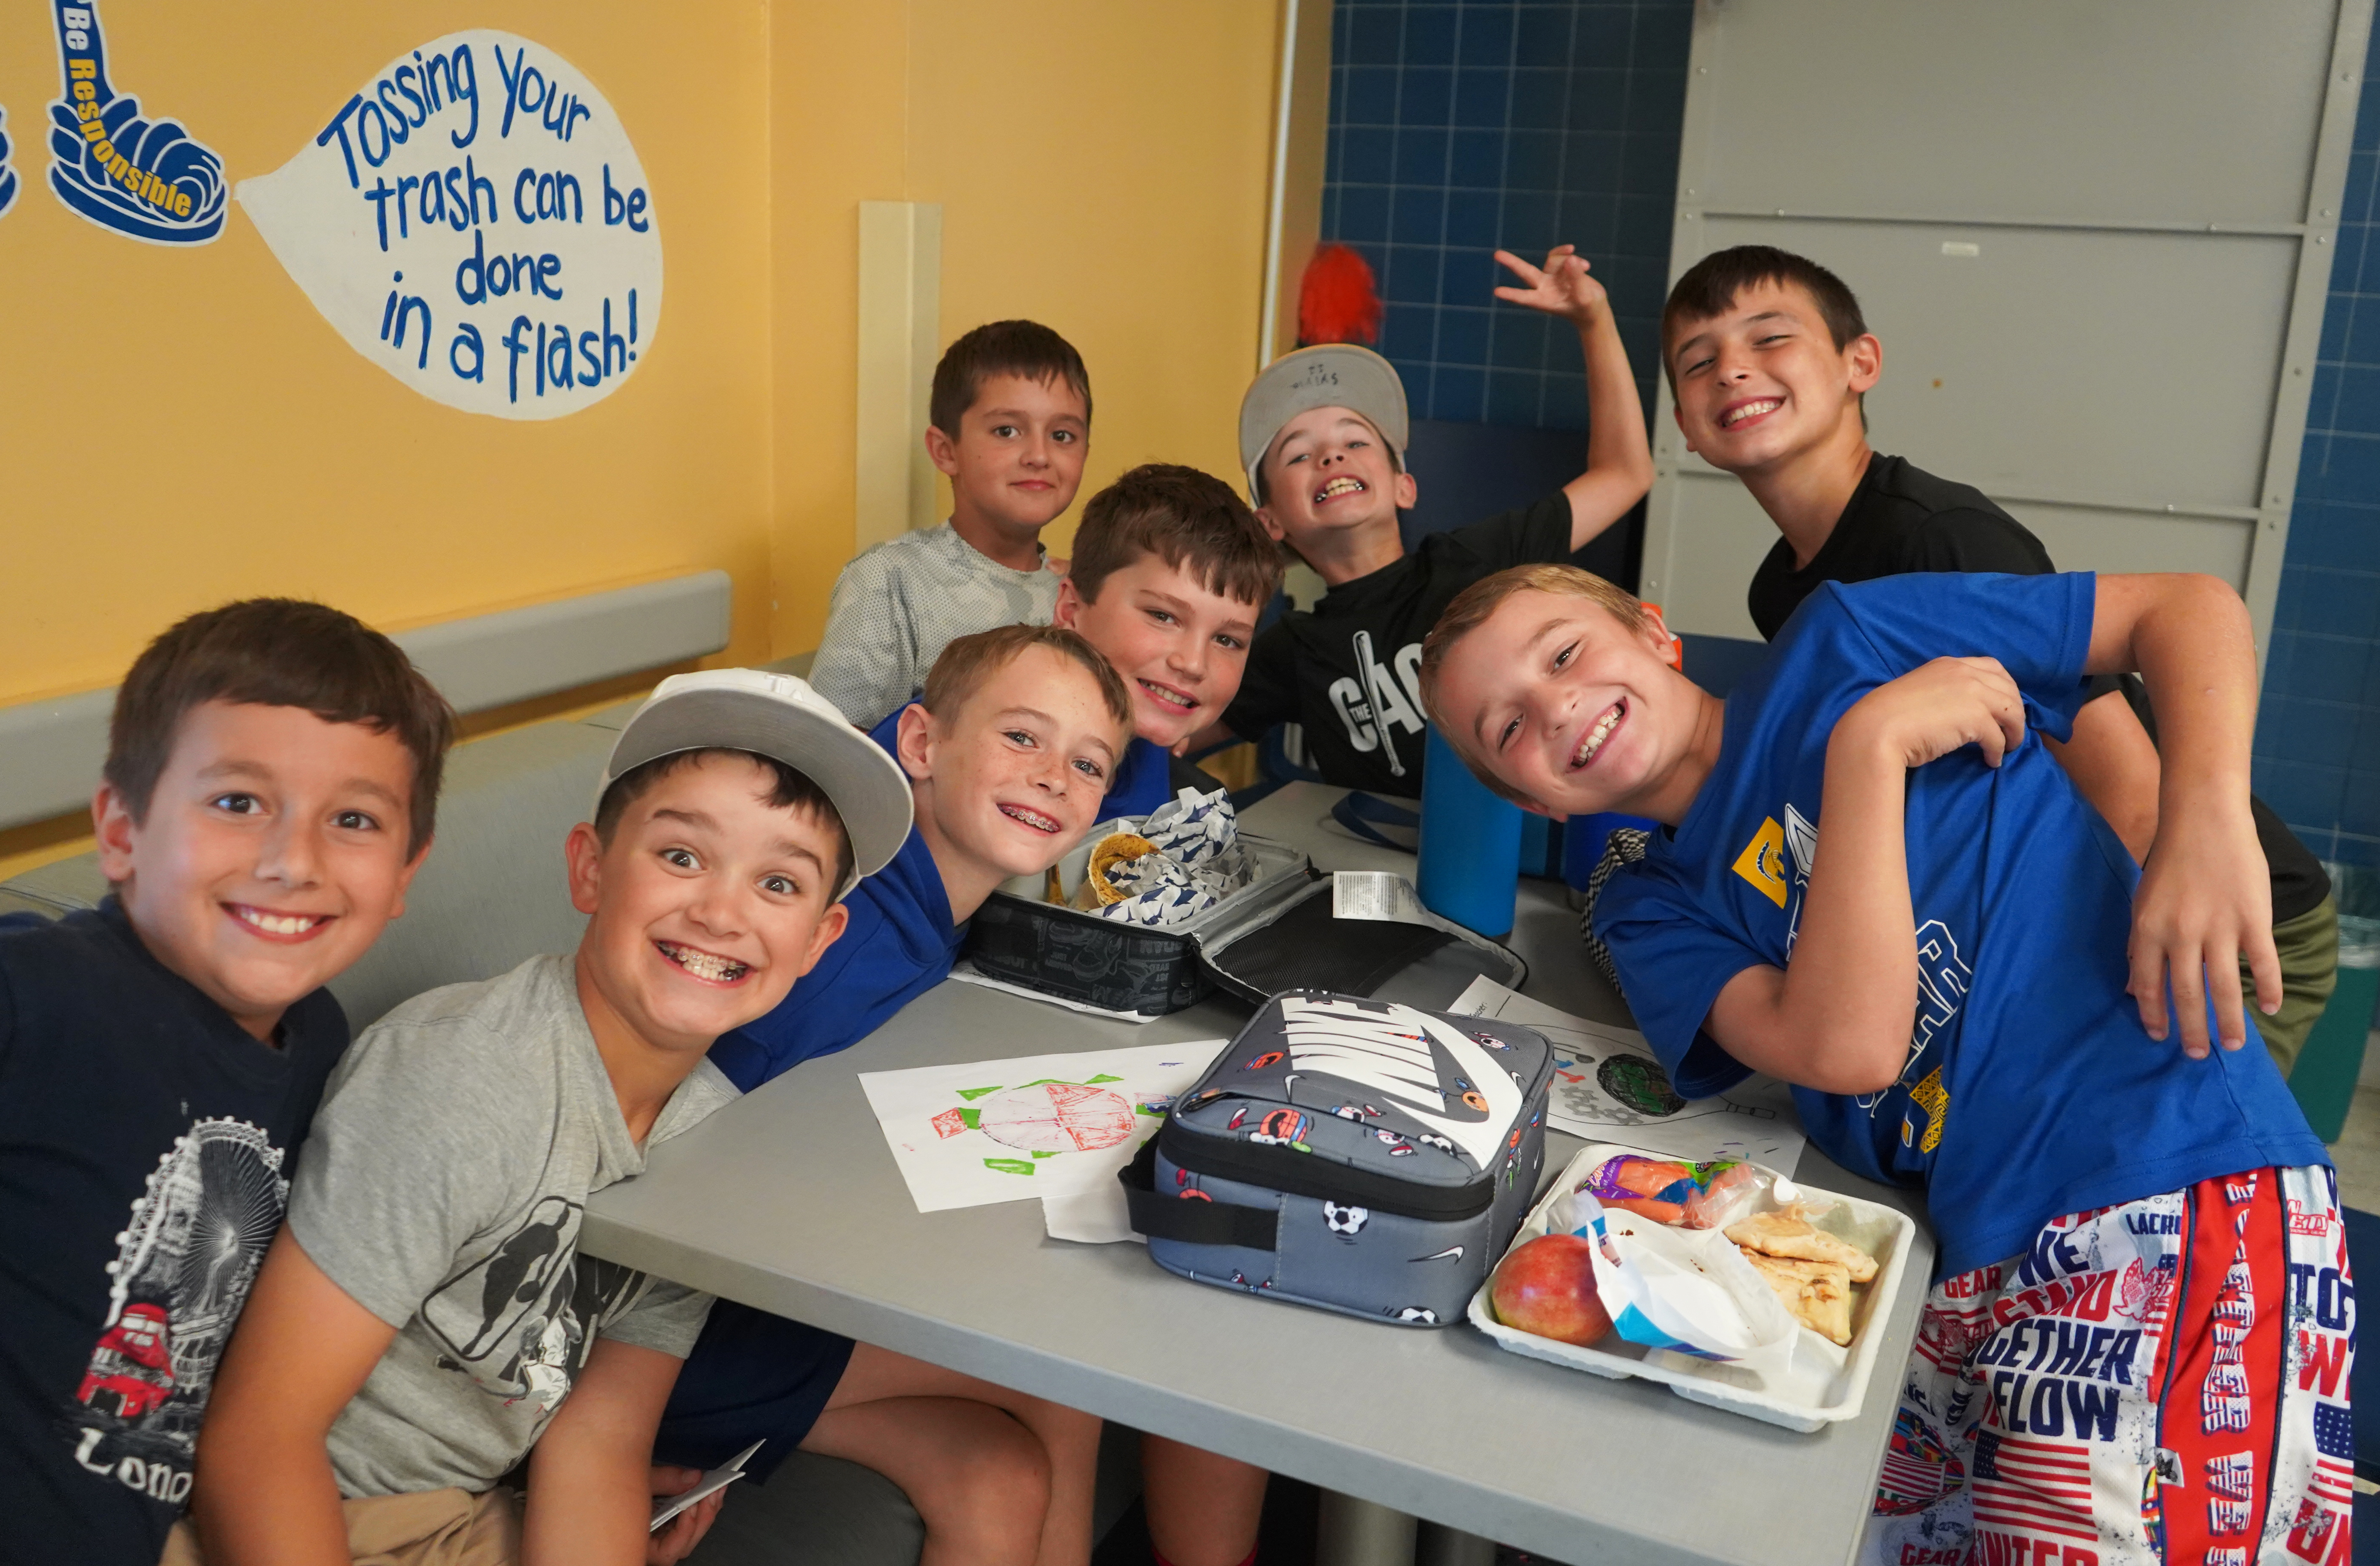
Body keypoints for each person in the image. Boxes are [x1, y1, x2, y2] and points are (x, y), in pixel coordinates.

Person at [1419, 562, 2350, 1566]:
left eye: (1564, 652)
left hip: (2168, 1178)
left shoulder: (1848, 640)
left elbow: (2185, 608)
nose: (1554, 706)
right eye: (1506, 728)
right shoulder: (1648, 906)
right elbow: (1849, 1046)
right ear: (1533, 801)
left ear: (1655, 631)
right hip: (1959, 1259)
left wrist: (2206, 812)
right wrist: (1868, 751)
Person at [189, 669, 1098, 1566]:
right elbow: (259, 1442)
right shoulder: (467, 1075)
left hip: (473, 1507)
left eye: (780, 884)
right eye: (682, 855)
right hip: (339, 1508)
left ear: (821, 940)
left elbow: (601, 1439)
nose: (721, 910)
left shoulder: (703, 1134)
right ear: (590, 867)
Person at [1657, 243, 2338, 1073]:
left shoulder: (1940, 538)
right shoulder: (1783, 590)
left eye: (1769, 339)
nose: (1732, 369)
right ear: (1686, 426)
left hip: (2204, 909)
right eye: (1699, 361)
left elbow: (2124, 794)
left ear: (1859, 362)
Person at [661, 629, 1131, 1566]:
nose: (1051, 776)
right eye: (1023, 738)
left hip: (775, 1292)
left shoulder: (930, 907)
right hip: (681, 1332)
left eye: (1087, 762)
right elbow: (675, 1149)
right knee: (1068, 1372)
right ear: (919, 745)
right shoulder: (837, 929)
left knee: (994, 1471)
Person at [0, 599, 453, 1566]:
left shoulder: (319, 1038)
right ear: (121, 831)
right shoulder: (42, 995)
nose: (294, 860)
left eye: (354, 819)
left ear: (407, 867)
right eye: (239, 802)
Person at [1202, 244, 1654, 796]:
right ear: (1270, 523)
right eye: (1299, 454)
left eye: (1356, 441)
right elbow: (1173, 731)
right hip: (1375, 869)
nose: (1331, 457)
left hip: (1506, 846)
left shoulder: (1479, 562)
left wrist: (1593, 320)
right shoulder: (1292, 652)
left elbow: (1626, 474)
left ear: (1404, 487)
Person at [811, 320, 1093, 730]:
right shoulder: (889, 582)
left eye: (1063, 435)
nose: (1039, 455)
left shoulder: (1081, 595)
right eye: (1007, 431)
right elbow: (834, 749)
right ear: (946, 452)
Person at [1053, 462, 1285, 819]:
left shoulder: (1195, 811)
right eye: (1163, 617)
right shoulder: (970, 769)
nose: (1193, 664)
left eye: (1226, 639)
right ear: (1071, 611)